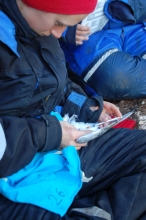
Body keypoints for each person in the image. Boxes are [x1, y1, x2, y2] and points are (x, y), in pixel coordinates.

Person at [0, 1, 146, 220]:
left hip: (55, 150)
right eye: (59, 23)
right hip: (14, 174)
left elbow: (51, 84)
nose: (59, 34)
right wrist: (50, 134)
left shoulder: (39, 27)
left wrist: (87, 107)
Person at [60, 0, 146, 100]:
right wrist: (61, 26)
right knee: (115, 77)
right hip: (85, 39)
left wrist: (131, 4)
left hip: (131, 24)